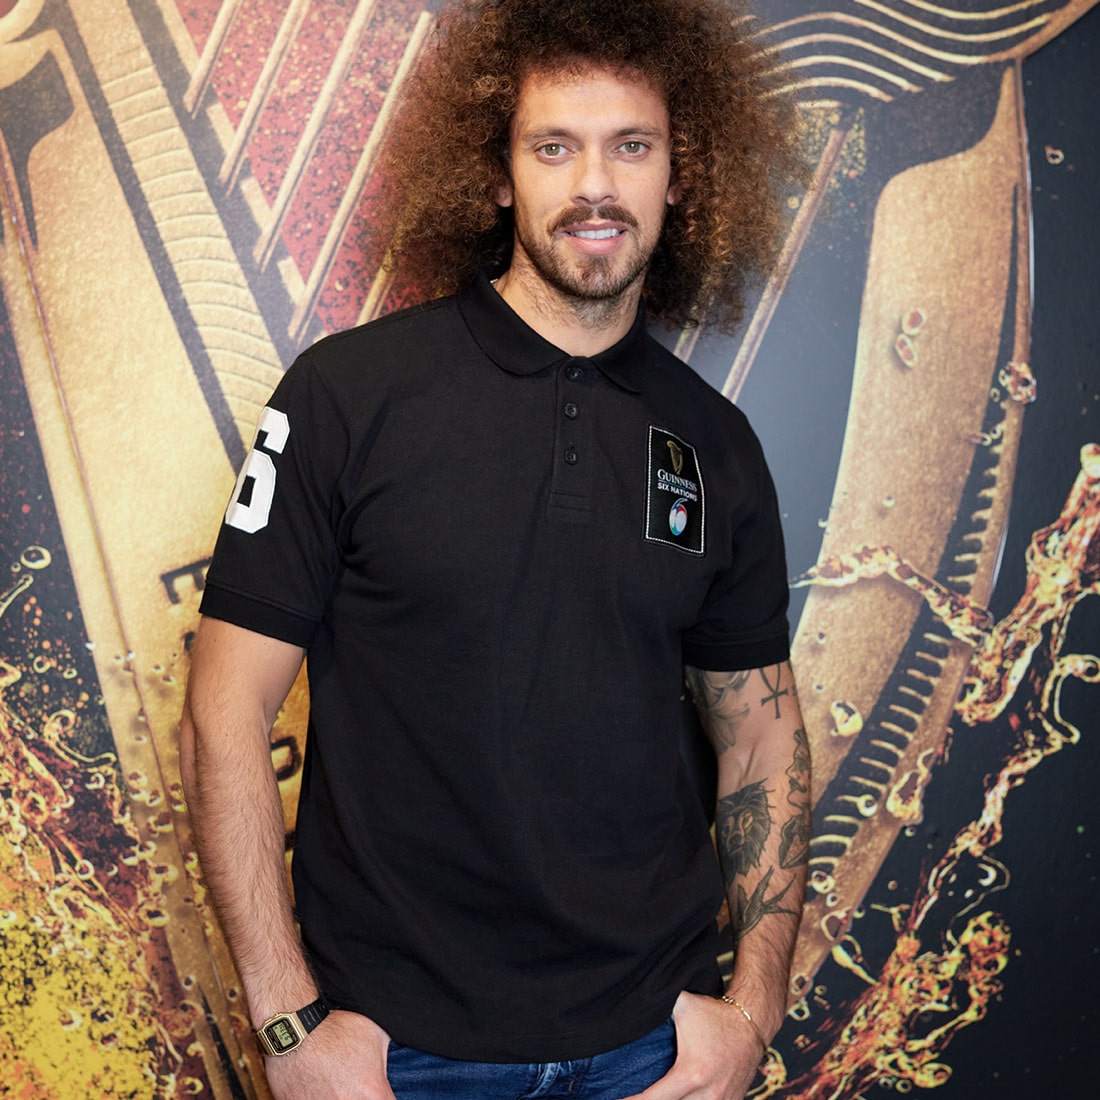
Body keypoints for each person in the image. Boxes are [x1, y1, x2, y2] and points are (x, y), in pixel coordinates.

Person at [179, 1, 811, 1097]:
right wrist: (289, 1030)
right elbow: (221, 712)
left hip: (649, 1048)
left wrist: (751, 1007)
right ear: (500, 174)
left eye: (631, 146)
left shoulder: (715, 441)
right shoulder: (347, 394)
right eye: (553, 147)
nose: (595, 187)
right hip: (393, 1051)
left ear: (680, 173)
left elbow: (762, 737)